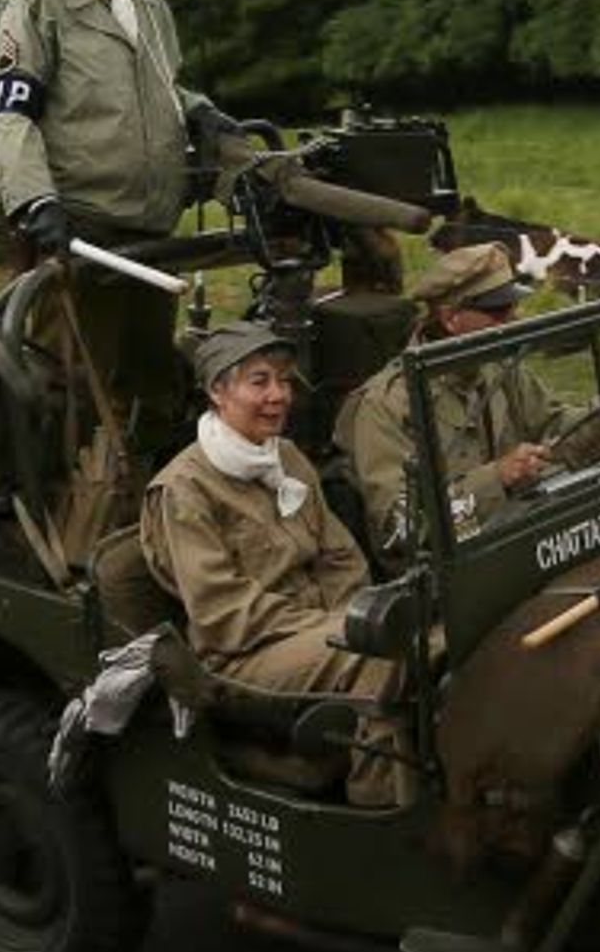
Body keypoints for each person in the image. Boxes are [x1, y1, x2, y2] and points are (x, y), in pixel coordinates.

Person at [0, 0, 225, 538]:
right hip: (82, 235)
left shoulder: (148, 4)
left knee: (155, 386)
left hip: (153, 233)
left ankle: (154, 519)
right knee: (80, 398)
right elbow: (9, 118)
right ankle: (75, 534)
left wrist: (199, 110)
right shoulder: (36, 8)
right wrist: (36, 204)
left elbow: (157, 88)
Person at [137, 319, 410, 806]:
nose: (279, 395)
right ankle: (381, 804)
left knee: (433, 638)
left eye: (283, 381)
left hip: (314, 635)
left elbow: (339, 556)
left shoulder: (284, 458)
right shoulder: (185, 490)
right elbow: (225, 614)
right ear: (218, 393)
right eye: (259, 382)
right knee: (380, 657)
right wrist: (336, 626)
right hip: (242, 657)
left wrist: (347, 613)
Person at [338, 240, 600, 557]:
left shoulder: (500, 369)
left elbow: (557, 435)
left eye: (513, 305)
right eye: (498, 310)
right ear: (451, 318)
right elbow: (403, 528)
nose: (514, 318)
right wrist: (496, 479)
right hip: (449, 577)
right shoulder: (386, 406)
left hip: (519, 542)